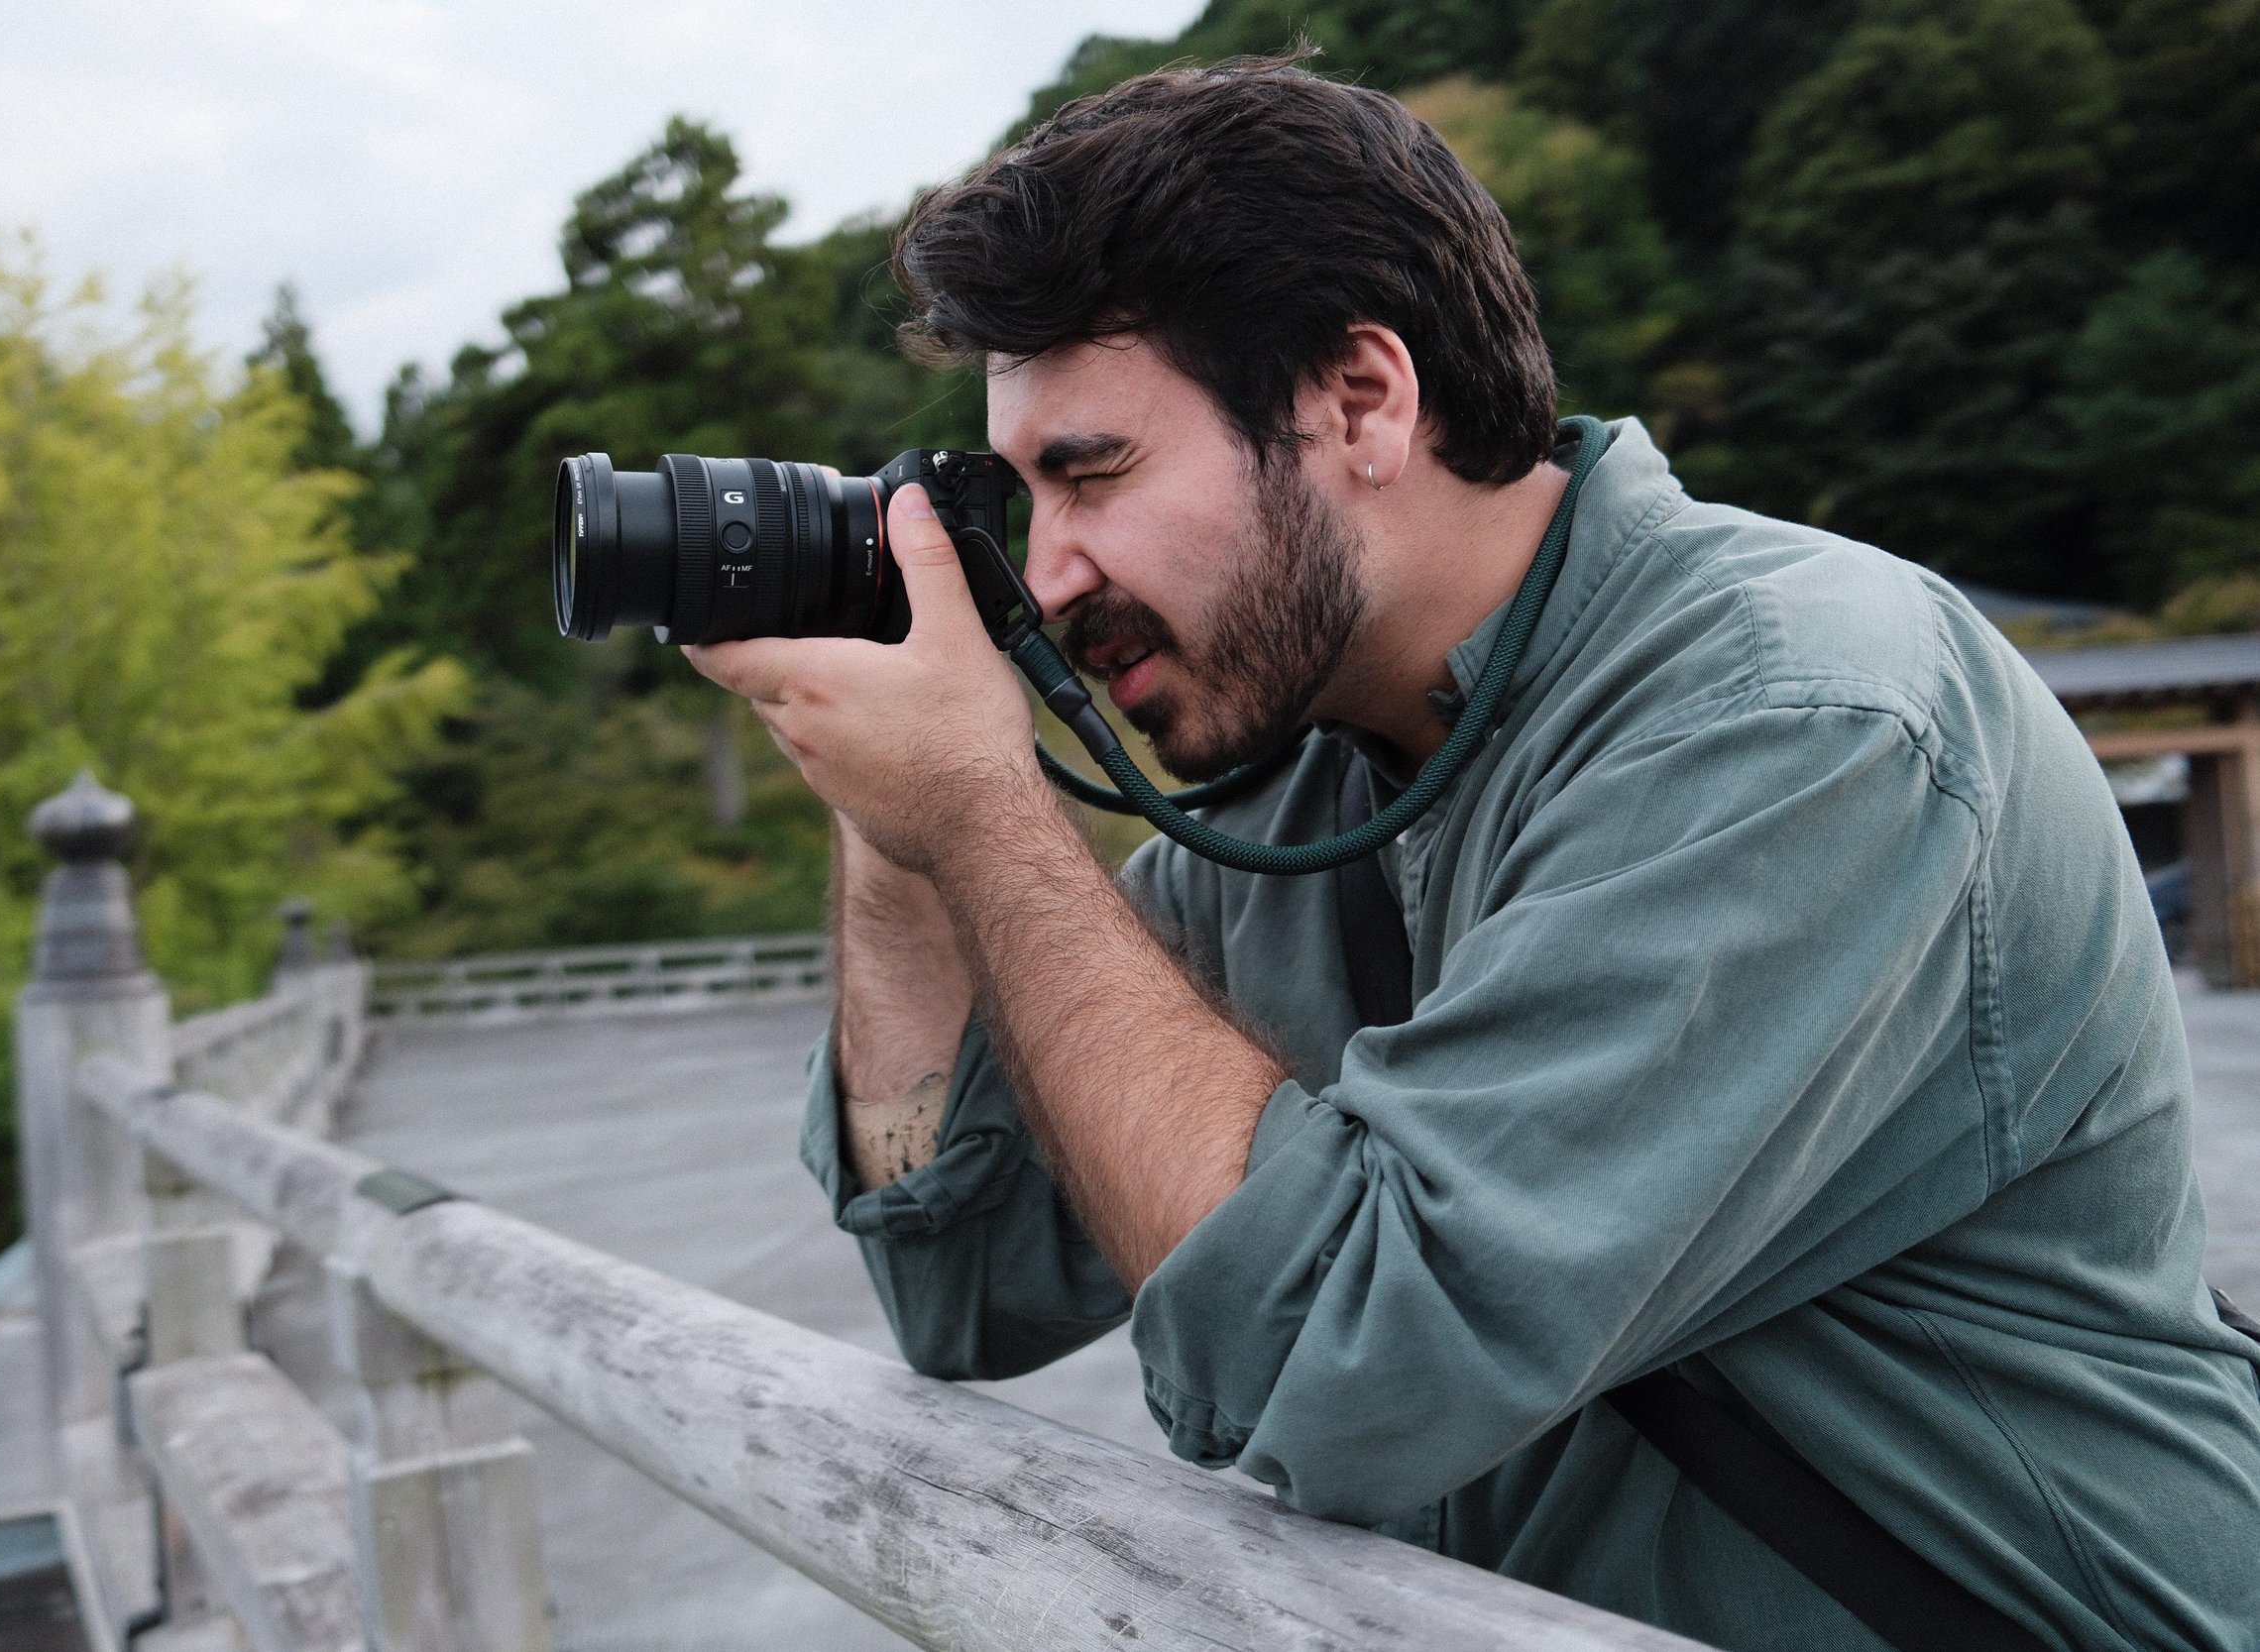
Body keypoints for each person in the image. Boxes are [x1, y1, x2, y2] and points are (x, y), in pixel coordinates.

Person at [682, 57, 2260, 1652]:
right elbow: (965, 1283)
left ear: (1362, 400)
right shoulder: (1298, 795)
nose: (1053, 566)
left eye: (1093, 473)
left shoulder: (1801, 721)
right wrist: (897, 834)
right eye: (1019, 496)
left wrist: (985, 810)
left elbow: (1358, 1362)